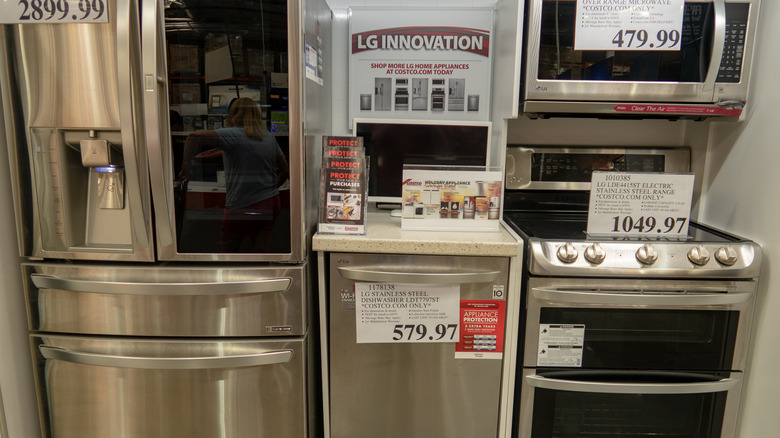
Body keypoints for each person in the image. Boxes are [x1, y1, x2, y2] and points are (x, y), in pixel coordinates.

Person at [180, 97, 289, 252]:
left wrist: (186, 166)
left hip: (242, 205)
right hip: (270, 201)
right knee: (261, 247)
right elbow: (285, 170)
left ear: (234, 114)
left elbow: (193, 137)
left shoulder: (234, 134)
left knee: (229, 251)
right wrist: (271, 189)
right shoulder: (268, 137)